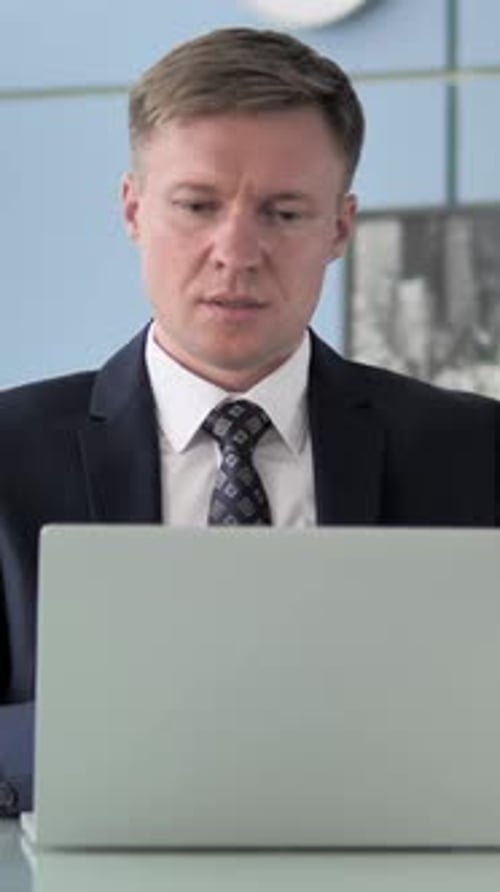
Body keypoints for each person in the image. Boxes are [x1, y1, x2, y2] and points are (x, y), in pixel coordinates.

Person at [1, 27, 499, 818]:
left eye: (284, 212)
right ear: (133, 209)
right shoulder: (8, 455)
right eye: (197, 206)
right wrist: (125, 735)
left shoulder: (475, 453)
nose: (236, 251)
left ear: (339, 228)